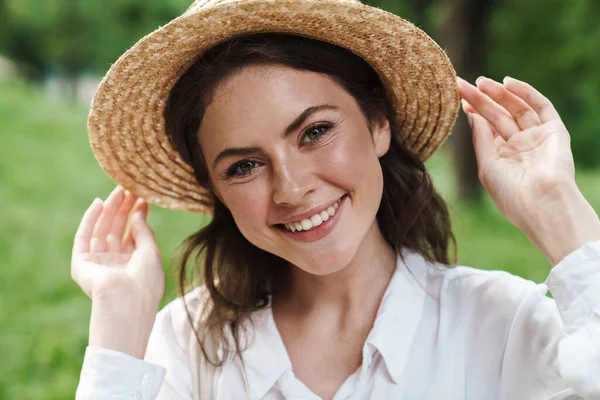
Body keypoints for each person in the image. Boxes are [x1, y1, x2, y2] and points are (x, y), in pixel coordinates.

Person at [73, 0, 600, 399]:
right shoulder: (184, 341)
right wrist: (119, 322)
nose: (292, 188)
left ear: (378, 125)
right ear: (216, 190)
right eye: (245, 166)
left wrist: (558, 213)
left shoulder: (505, 324)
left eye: (315, 132)